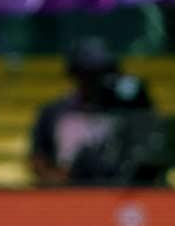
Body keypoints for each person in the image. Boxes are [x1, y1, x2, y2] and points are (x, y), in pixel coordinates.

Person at [29, 38, 160, 187]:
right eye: (89, 74)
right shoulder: (52, 112)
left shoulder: (124, 111)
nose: (97, 81)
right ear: (75, 75)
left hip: (116, 189)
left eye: (103, 73)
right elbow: (37, 158)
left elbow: (147, 150)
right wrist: (58, 181)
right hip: (70, 191)